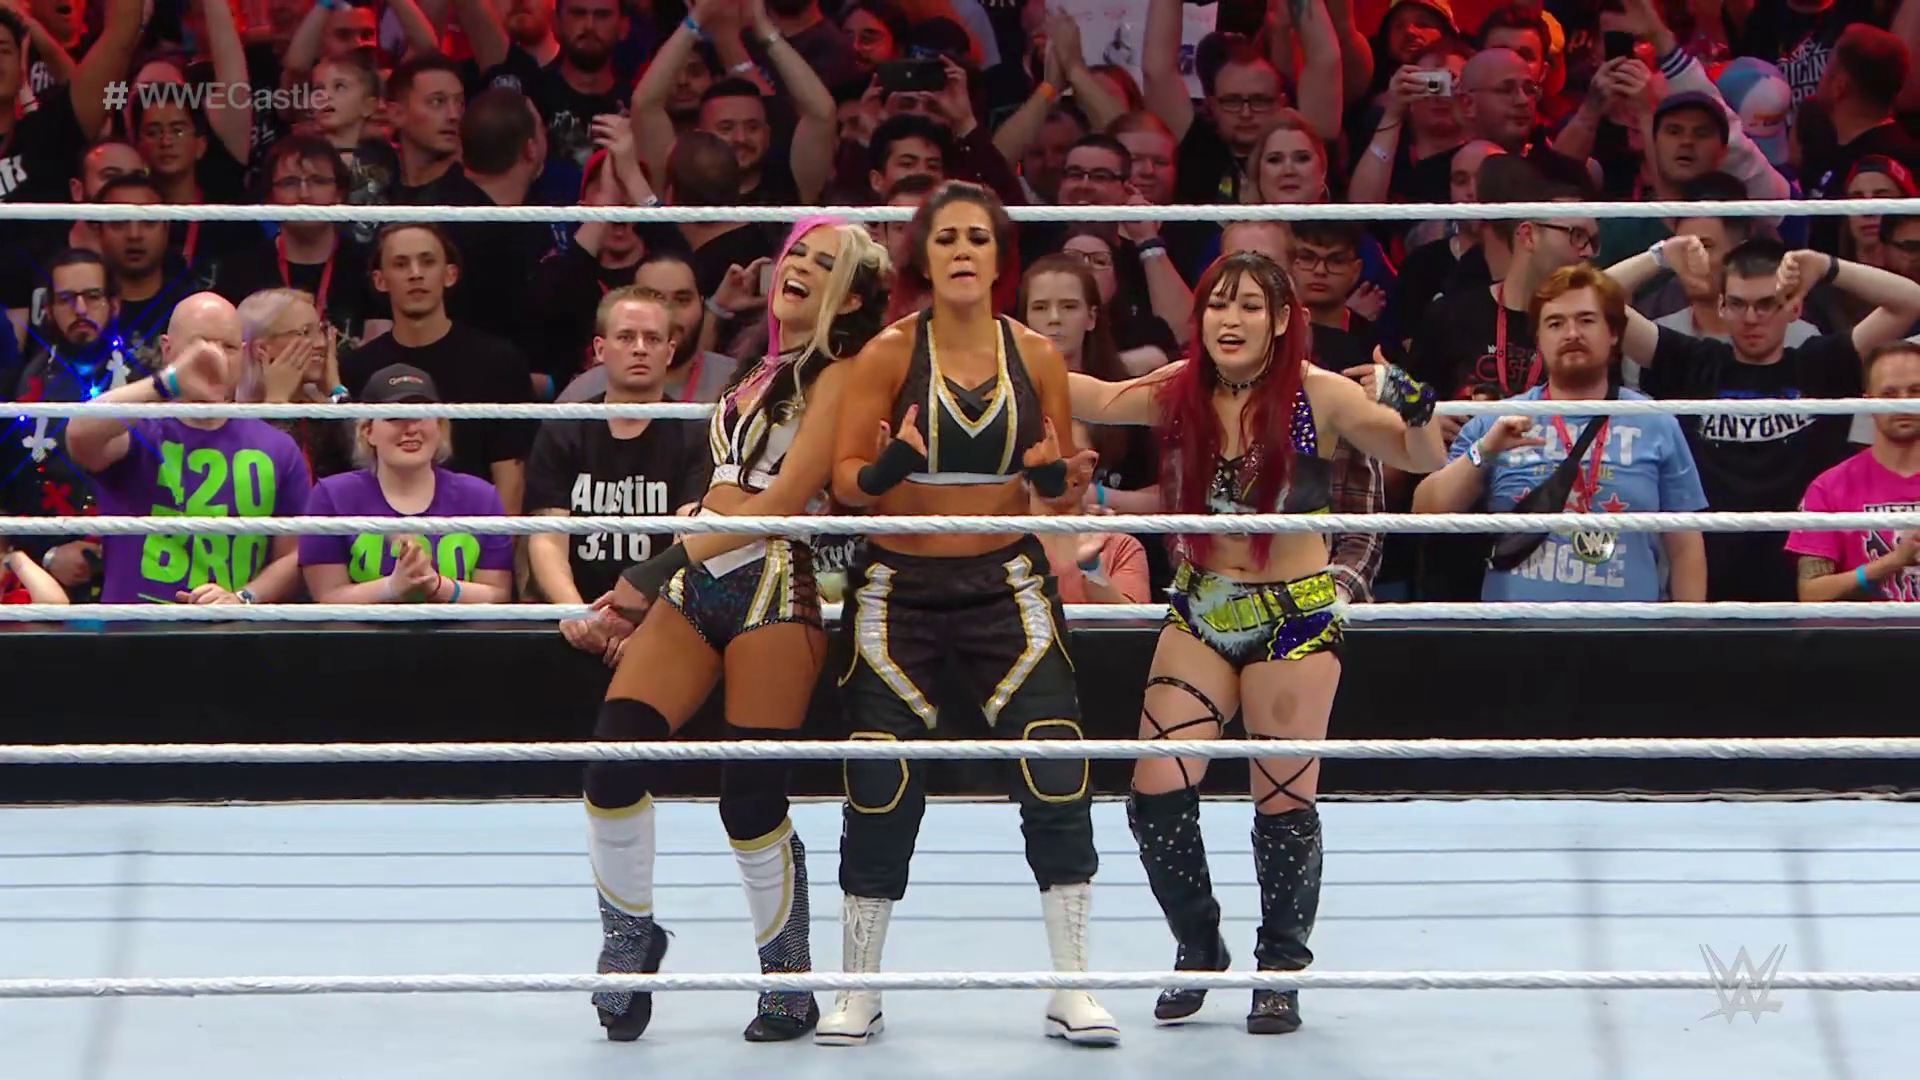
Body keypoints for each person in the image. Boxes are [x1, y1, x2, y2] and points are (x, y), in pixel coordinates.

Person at [1067, 251, 1449, 1034]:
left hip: (1295, 615)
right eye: (1218, 305)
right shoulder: (1180, 390)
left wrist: (1409, 395)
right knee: (1155, 794)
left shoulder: (1320, 393)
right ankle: (1200, 945)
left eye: (1249, 306)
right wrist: (994, 350)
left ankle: (1279, 968)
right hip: (1202, 605)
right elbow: (1098, 396)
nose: (1230, 320)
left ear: (1280, 320)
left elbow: (1421, 456)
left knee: (1282, 802)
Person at [576, 219, 891, 1044]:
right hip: (701, 576)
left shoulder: (843, 373)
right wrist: (691, 527)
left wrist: (653, 568)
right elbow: (730, 483)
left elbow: (783, 500)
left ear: (849, 298)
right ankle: (628, 940)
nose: (800, 268)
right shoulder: (760, 365)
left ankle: (788, 979)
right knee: (612, 760)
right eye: (798, 254)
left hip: (774, 587)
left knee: (749, 799)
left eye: (825, 264)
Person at [820, 180, 1112, 1048]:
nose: (960, 252)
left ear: (998, 257)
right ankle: (858, 989)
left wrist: (1060, 480)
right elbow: (843, 483)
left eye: (976, 238)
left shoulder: (1038, 356)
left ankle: (1072, 985)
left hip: (1004, 582)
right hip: (898, 588)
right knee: (879, 779)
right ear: (923, 254)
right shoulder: (886, 355)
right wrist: (888, 469)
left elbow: (1056, 491)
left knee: (1055, 762)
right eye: (945, 237)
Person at [1414, 265, 1709, 604]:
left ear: (1613, 333)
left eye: (1586, 320)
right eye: (1555, 324)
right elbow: (1426, 511)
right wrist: (1486, 450)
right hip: (1518, 629)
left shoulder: (1656, 421)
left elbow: (1686, 547)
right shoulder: (1496, 421)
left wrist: (1689, 628)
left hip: (1626, 630)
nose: (1571, 333)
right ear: (1538, 339)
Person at [298, 365, 516, 605]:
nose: (411, 429)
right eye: (395, 416)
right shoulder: (331, 496)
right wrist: (391, 587)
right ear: (368, 431)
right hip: (364, 631)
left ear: (439, 426)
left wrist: (437, 586)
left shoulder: (481, 498)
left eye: (421, 414)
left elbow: (498, 595)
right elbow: (327, 597)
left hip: (458, 630)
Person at [1788, 341, 1920, 603]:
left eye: (1915, 391)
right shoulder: (1829, 487)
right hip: (1867, 630)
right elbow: (1811, 593)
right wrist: (1894, 561)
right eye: (1890, 394)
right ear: (1869, 404)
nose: (1904, 403)